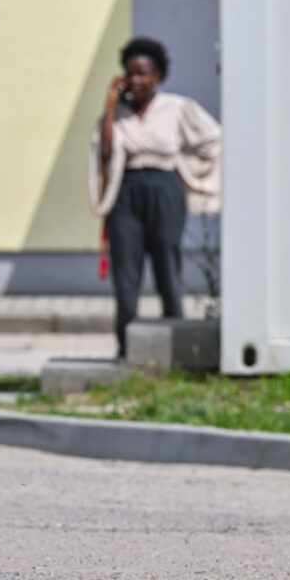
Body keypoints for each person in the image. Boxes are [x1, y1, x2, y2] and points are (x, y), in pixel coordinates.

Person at [88, 37, 220, 356]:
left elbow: (213, 140)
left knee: (167, 269)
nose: (136, 81)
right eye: (130, 74)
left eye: (143, 74)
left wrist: (186, 171)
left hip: (165, 190)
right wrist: (109, 104)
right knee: (126, 275)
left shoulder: (177, 108)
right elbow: (103, 153)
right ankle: (127, 348)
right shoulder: (116, 115)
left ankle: (178, 347)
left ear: (157, 75)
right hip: (125, 194)